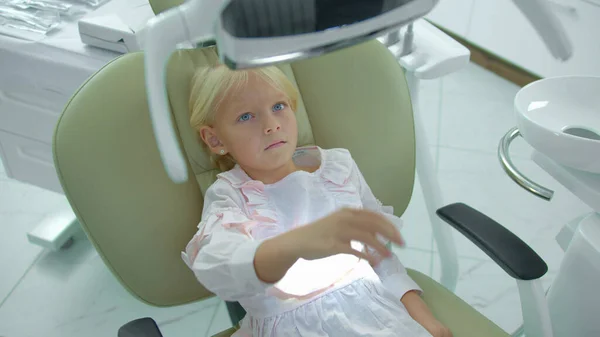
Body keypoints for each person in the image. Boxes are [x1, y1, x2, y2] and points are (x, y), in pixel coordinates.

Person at [181, 63, 452, 337]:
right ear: (215, 139)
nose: (271, 125)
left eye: (278, 106)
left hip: (374, 313)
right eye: (246, 116)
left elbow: (378, 255)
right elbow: (216, 265)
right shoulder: (229, 197)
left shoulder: (337, 168)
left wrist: (423, 318)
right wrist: (294, 244)